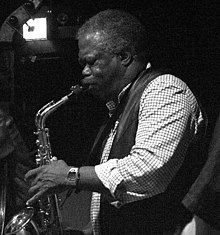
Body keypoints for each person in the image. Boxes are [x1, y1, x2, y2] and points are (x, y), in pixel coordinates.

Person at [25, 9, 207, 235]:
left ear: (124, 57)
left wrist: (70, 176)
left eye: (91, 62)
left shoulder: (164, 89)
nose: (84, 72)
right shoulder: (121, 105)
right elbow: (123, 202)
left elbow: (148, 170)